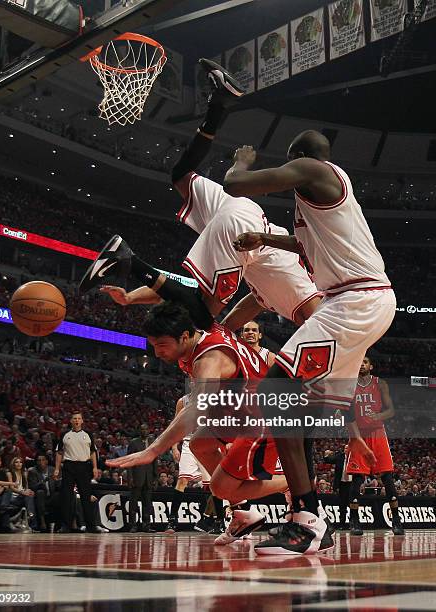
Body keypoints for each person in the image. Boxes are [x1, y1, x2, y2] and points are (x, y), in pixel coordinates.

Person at [223, 98, 395, 553]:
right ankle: (310, 519)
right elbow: (304, 242)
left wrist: (241, 162)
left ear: (301, 157)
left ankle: (306, 518)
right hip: (362, 301)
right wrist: (265, 238)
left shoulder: (316, 171)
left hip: (354, 301)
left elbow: (237, 184)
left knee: (276, 390)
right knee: (303, 409)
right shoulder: (325, 198)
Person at [79, 60, 320, 334]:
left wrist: (132, 297)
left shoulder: (273, 291)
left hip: (244, 212)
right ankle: (129, 261)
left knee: (181, 175)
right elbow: (321, 329)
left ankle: (219, 104)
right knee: (202, 318)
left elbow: (236, 315)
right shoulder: (312, 300)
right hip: (246, 234)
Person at [107, 303, 295, 545]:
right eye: (154, 346)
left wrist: (153, 450)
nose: (157, 353)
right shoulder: (207, 331)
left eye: (162, 345)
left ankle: (294, 481)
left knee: (220, 489)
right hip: (239, 410)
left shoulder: (209, 359)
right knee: (199, 444)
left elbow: (195, 410)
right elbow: (228, 311)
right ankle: (244, 514)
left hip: (262, 418)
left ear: (184, 336)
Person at [346, 356, 404, 536]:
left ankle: (396, 520)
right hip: (359, 436)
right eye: (359, 361)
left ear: (371, 366)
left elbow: (391, 410)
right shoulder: (349, 386)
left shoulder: (380, 383)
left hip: (378, 434)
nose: (361, 364)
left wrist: (378, 416)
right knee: (357, 479)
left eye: (365, 362)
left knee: (387, 477)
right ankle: (354, 520)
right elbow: (346, 414)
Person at [165, 395, 224, 535]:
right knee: (182, 480)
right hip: (188, 444)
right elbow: (176, 426)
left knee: (213, 485)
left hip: (207, 443)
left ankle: (219, 522)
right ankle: (172, 520)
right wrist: (174, 447)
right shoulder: (183, 401)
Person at [54, 412, 98, 533]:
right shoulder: (64, 434)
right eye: (75, 418)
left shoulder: (88, 434)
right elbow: (59, 452)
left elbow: (92, 452)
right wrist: (57, 468)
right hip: (69, 466)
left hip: (84, 466)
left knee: (86, 496)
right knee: (67, 497)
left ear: (82, 421)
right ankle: (66, 526)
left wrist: (95, 467)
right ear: (71, 421)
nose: (77, 420)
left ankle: (91, 526)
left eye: (79, 418)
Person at [126, 423, 158, 533]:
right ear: (139, 431)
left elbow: (154, 461)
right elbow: (129, 460)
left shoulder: (153, 443)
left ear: (149, 430)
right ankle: (133, 526)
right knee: (133, 503)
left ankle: (146, 526)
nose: (144, 431)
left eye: (146, 429)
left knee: (147, 504)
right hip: (136, 477)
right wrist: (130, 477)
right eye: (142, 429)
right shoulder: (134, 443)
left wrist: (155, 478)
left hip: (148, 477)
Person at [28, 454, 59, 532]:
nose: (41, 462)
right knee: (40, 492)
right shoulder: (33, 471)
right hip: (40, 497)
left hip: (51, 496)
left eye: (43, 460)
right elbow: (32, 487)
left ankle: (59, 524)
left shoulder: (53, 470)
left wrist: (57, 480)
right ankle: (42, 522)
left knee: (59, 495)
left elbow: (58, 485)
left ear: (47, 461)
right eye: (39, 460)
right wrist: (43, 481)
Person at [4, 456, 36, 531]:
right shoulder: (10, 473)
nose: (19, 464)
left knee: (30, 495)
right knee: (27, 496)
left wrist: (29, 491)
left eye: (20, 462)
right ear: (13, 464)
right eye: (16, 462)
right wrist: (22, 492)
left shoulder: (24, 473)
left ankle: (30, 516)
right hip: (13, 498)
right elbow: (11, 488)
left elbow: (26, 487)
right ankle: (30, 515)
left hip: (22, 496)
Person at [323, 447, 351, 530]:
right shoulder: (339, 457)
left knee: (352, 504)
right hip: (342, 484)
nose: (346, 449)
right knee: (342, 505)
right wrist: (326, 454)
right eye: (345, 448)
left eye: (348, 448)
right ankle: (342, 524)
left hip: (352, 484)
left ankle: (353, 524)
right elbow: (328, 460)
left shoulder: (354, 457)